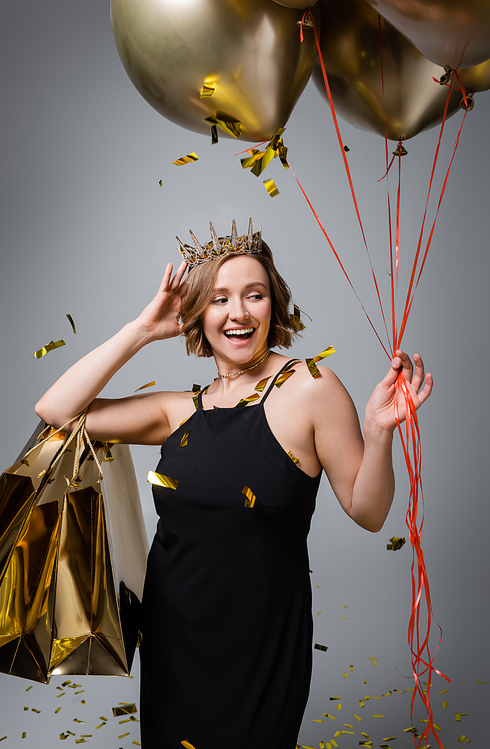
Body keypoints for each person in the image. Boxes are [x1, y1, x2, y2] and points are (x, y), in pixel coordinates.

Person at [35, 220, 432, 749]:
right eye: (219, 298)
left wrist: (378, 433)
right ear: (198, 313)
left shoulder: (309, 387)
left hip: (263, 645)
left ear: (275, 305)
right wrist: (143, 330)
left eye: (254, 295)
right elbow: (55, 411)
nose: (238, 312)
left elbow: (369, 512)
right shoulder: (177, 410)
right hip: (173, 639)